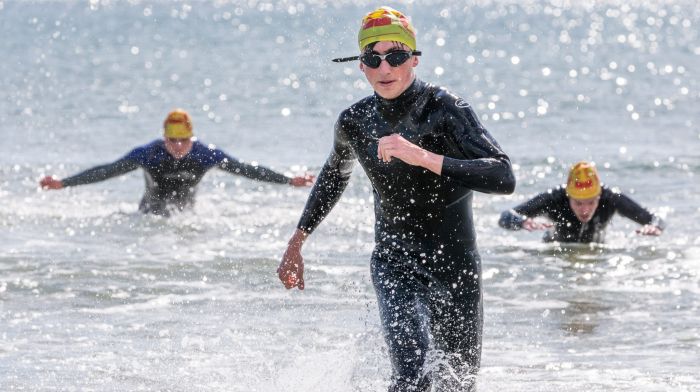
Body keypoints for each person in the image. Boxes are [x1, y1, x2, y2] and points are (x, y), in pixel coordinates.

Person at [277, 6, 515, 391]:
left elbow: (503, 176)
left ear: (414, 59)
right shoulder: (354, 122)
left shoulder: (445, 109)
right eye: (373, 58)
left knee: (458, 384)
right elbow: (333, 177)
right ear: (361, 66)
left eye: (396, 56)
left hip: (454, 266)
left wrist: (421, 156)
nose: (384, 68)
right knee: (411, 376)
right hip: (395, 263)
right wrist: (297, 241)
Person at [39, 109, 314, 216]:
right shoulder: (148, 154)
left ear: (192, 139)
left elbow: (246, 170)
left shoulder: (205, 155)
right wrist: (64, 183)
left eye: (184, 141)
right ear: (164, 139)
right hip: (149, 216)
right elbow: (108, 170)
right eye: (173, 141)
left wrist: (288, 180)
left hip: (185, 218)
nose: (178, 147)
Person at [499, 161, 665, 243]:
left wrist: (654, 226)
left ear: (599, 196)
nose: (585, 209)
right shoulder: (555, 198)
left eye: (591, 202)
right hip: (556, 256)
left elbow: (656, 219)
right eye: (578, 203)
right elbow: (505, 217)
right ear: (568, 196)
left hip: (594, 254)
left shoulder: (610, 198)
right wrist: (520, 222)